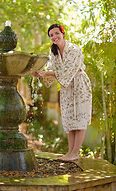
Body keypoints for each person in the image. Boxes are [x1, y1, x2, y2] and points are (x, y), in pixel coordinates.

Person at [33, 24, 92, 161]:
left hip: (79, 85)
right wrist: (40, 73)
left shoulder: (74, 49)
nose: (54, 37)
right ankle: (70, 152)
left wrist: (46, 73)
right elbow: (50, 68)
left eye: (56, 33)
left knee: (79, 118)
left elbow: (68, 71)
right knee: (70, 119)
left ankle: (75, 153)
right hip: (66, 88)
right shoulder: (53, 52)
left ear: (63, 33)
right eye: (51, 35)